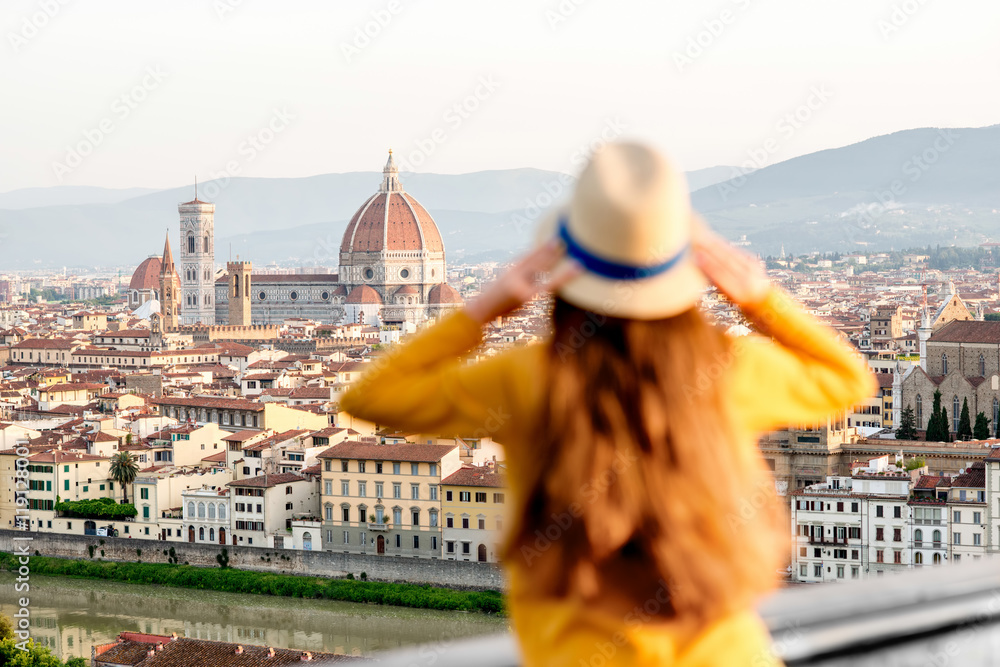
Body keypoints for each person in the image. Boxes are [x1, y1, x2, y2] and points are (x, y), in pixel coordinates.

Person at [342, 142, 874, 666]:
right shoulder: (726, 373)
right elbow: (848, 378)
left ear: (571, 263)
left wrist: (483, 309)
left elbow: (373, 396)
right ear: (684, 266)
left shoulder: (530, 379)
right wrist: (760, 298)